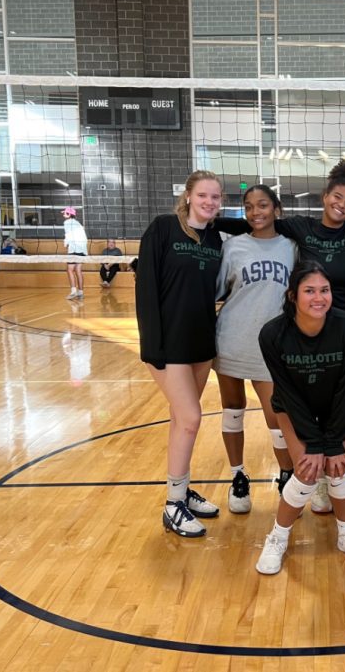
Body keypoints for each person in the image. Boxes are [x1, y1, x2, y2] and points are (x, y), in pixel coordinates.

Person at [269, 161, 345, 513]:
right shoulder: (301, 227)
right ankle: (317, 478)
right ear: (324, 196)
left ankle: (340, 470)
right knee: (313, 399)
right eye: (337, 197)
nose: (342, 205)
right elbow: (257, 222)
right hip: (313, 325)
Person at [255, 261, 345, 575]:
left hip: (338, 408)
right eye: (309, 291)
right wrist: (315, 443)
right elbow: (288, 394)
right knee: (306, 470)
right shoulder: (272, 334)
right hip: (295, 410)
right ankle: (277, 537)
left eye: (324, 290)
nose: (318, 297)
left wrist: (333, 443)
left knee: (339, 467)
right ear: (293, 295)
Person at [135, 170, 228, 538]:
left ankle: (181, 491)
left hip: (201, 343)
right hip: (168, 345)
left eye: (216, 197)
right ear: (188, 196)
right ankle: (172, 506)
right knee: (191, 418)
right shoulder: (162, 229)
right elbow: (146, 290)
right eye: (203, 195)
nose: (209, 202)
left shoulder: (216, 238)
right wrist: (152, 347)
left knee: (180, 421)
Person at [214, 184, 297, 514]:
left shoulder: (291, 247)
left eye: (262, 205)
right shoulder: (233, 246)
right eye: (249, 206)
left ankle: (287, 474)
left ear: (276, 208)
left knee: (276, 415)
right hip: (231, 339)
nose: (255, 212)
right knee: (232, 408)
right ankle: (237, 476)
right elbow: (219, 290)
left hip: (270, 345)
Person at [62, 207, 88, 300]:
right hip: (82, 249)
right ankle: (80, 293)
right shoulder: (79, 224)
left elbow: (68, 235)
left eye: (64, 213)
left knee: (69, 270)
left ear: (69, 214)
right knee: (78, 270)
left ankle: (73, 292)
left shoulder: (67, 222)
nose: (63, 214)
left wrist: (65, 244)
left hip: (74, 249)